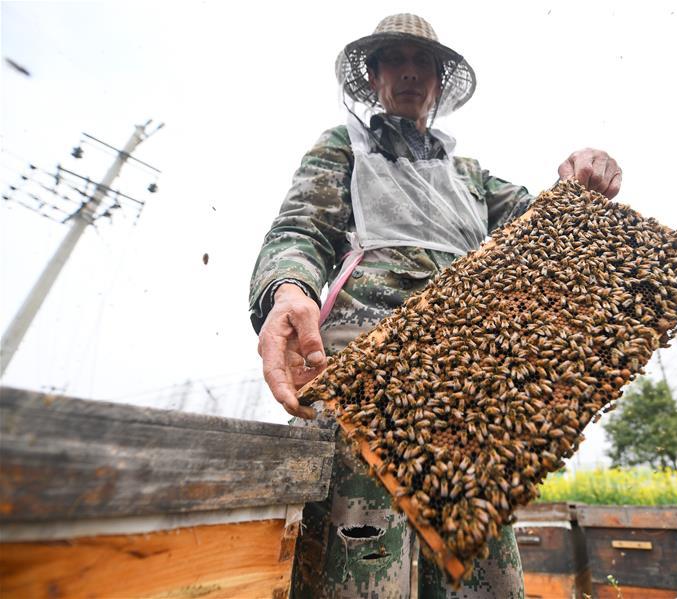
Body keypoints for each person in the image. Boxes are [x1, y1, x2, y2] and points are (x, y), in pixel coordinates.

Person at [248, 13, 622, 598]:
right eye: (394, 60)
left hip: (470, 381)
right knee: (363, 561)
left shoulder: (472, 177)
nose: (409, 73)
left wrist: (584, 176)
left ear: (439, 82)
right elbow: (300, 229)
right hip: (366, 372)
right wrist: (289, 287)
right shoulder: (344, 146)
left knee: (479, 566)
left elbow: (553, 225)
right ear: (373, 77)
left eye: (423, 62)